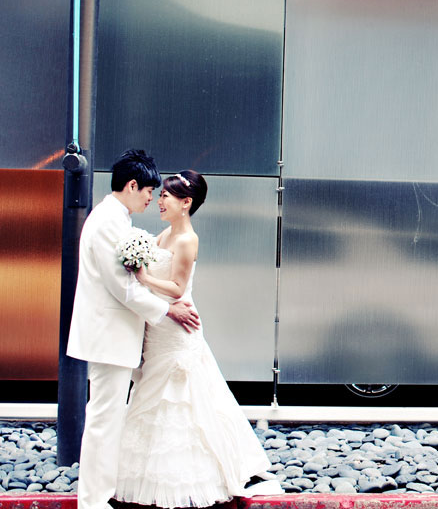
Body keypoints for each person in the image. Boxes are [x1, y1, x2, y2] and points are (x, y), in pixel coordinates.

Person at [114, 170, 282, 508]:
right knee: (154, 394)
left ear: (186, 203)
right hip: (159, 326)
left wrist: (143, 277)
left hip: (177, 329)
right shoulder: (164, 234)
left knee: (182, 400)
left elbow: (177, 288)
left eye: (166, 196)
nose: (159, 201)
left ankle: (191, 480)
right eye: (160, 195)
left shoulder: (187, 239)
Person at [67, 149, 201, 509]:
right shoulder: (108, 223)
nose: (151, 199)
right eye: (148, 191)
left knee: (111, 418)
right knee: (104, 420)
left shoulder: (116, 219)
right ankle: (93, 502)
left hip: (115, 335)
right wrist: (168, 310)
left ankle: (101, 496)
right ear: (131, 185)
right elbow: (122, 287)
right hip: (109, 336)